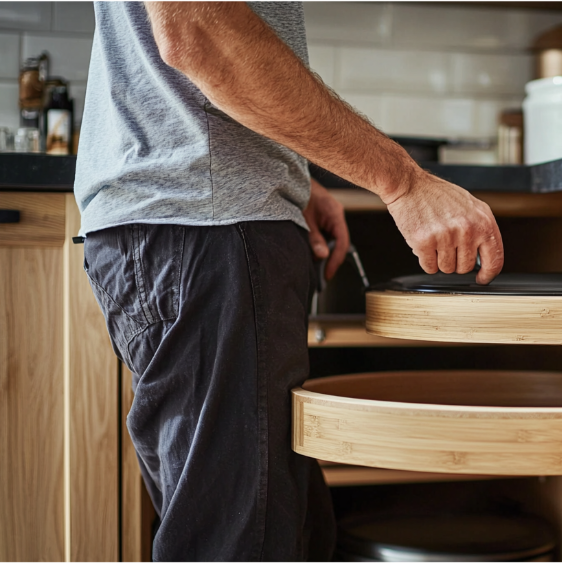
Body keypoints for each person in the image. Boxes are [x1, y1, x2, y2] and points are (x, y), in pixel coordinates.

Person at [73, 1, 504, 561]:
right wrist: (404, 182)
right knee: (240, 544)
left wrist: (292, 179)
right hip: (209, 230)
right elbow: (199, 32)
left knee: (274, 529)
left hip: (187, 223)